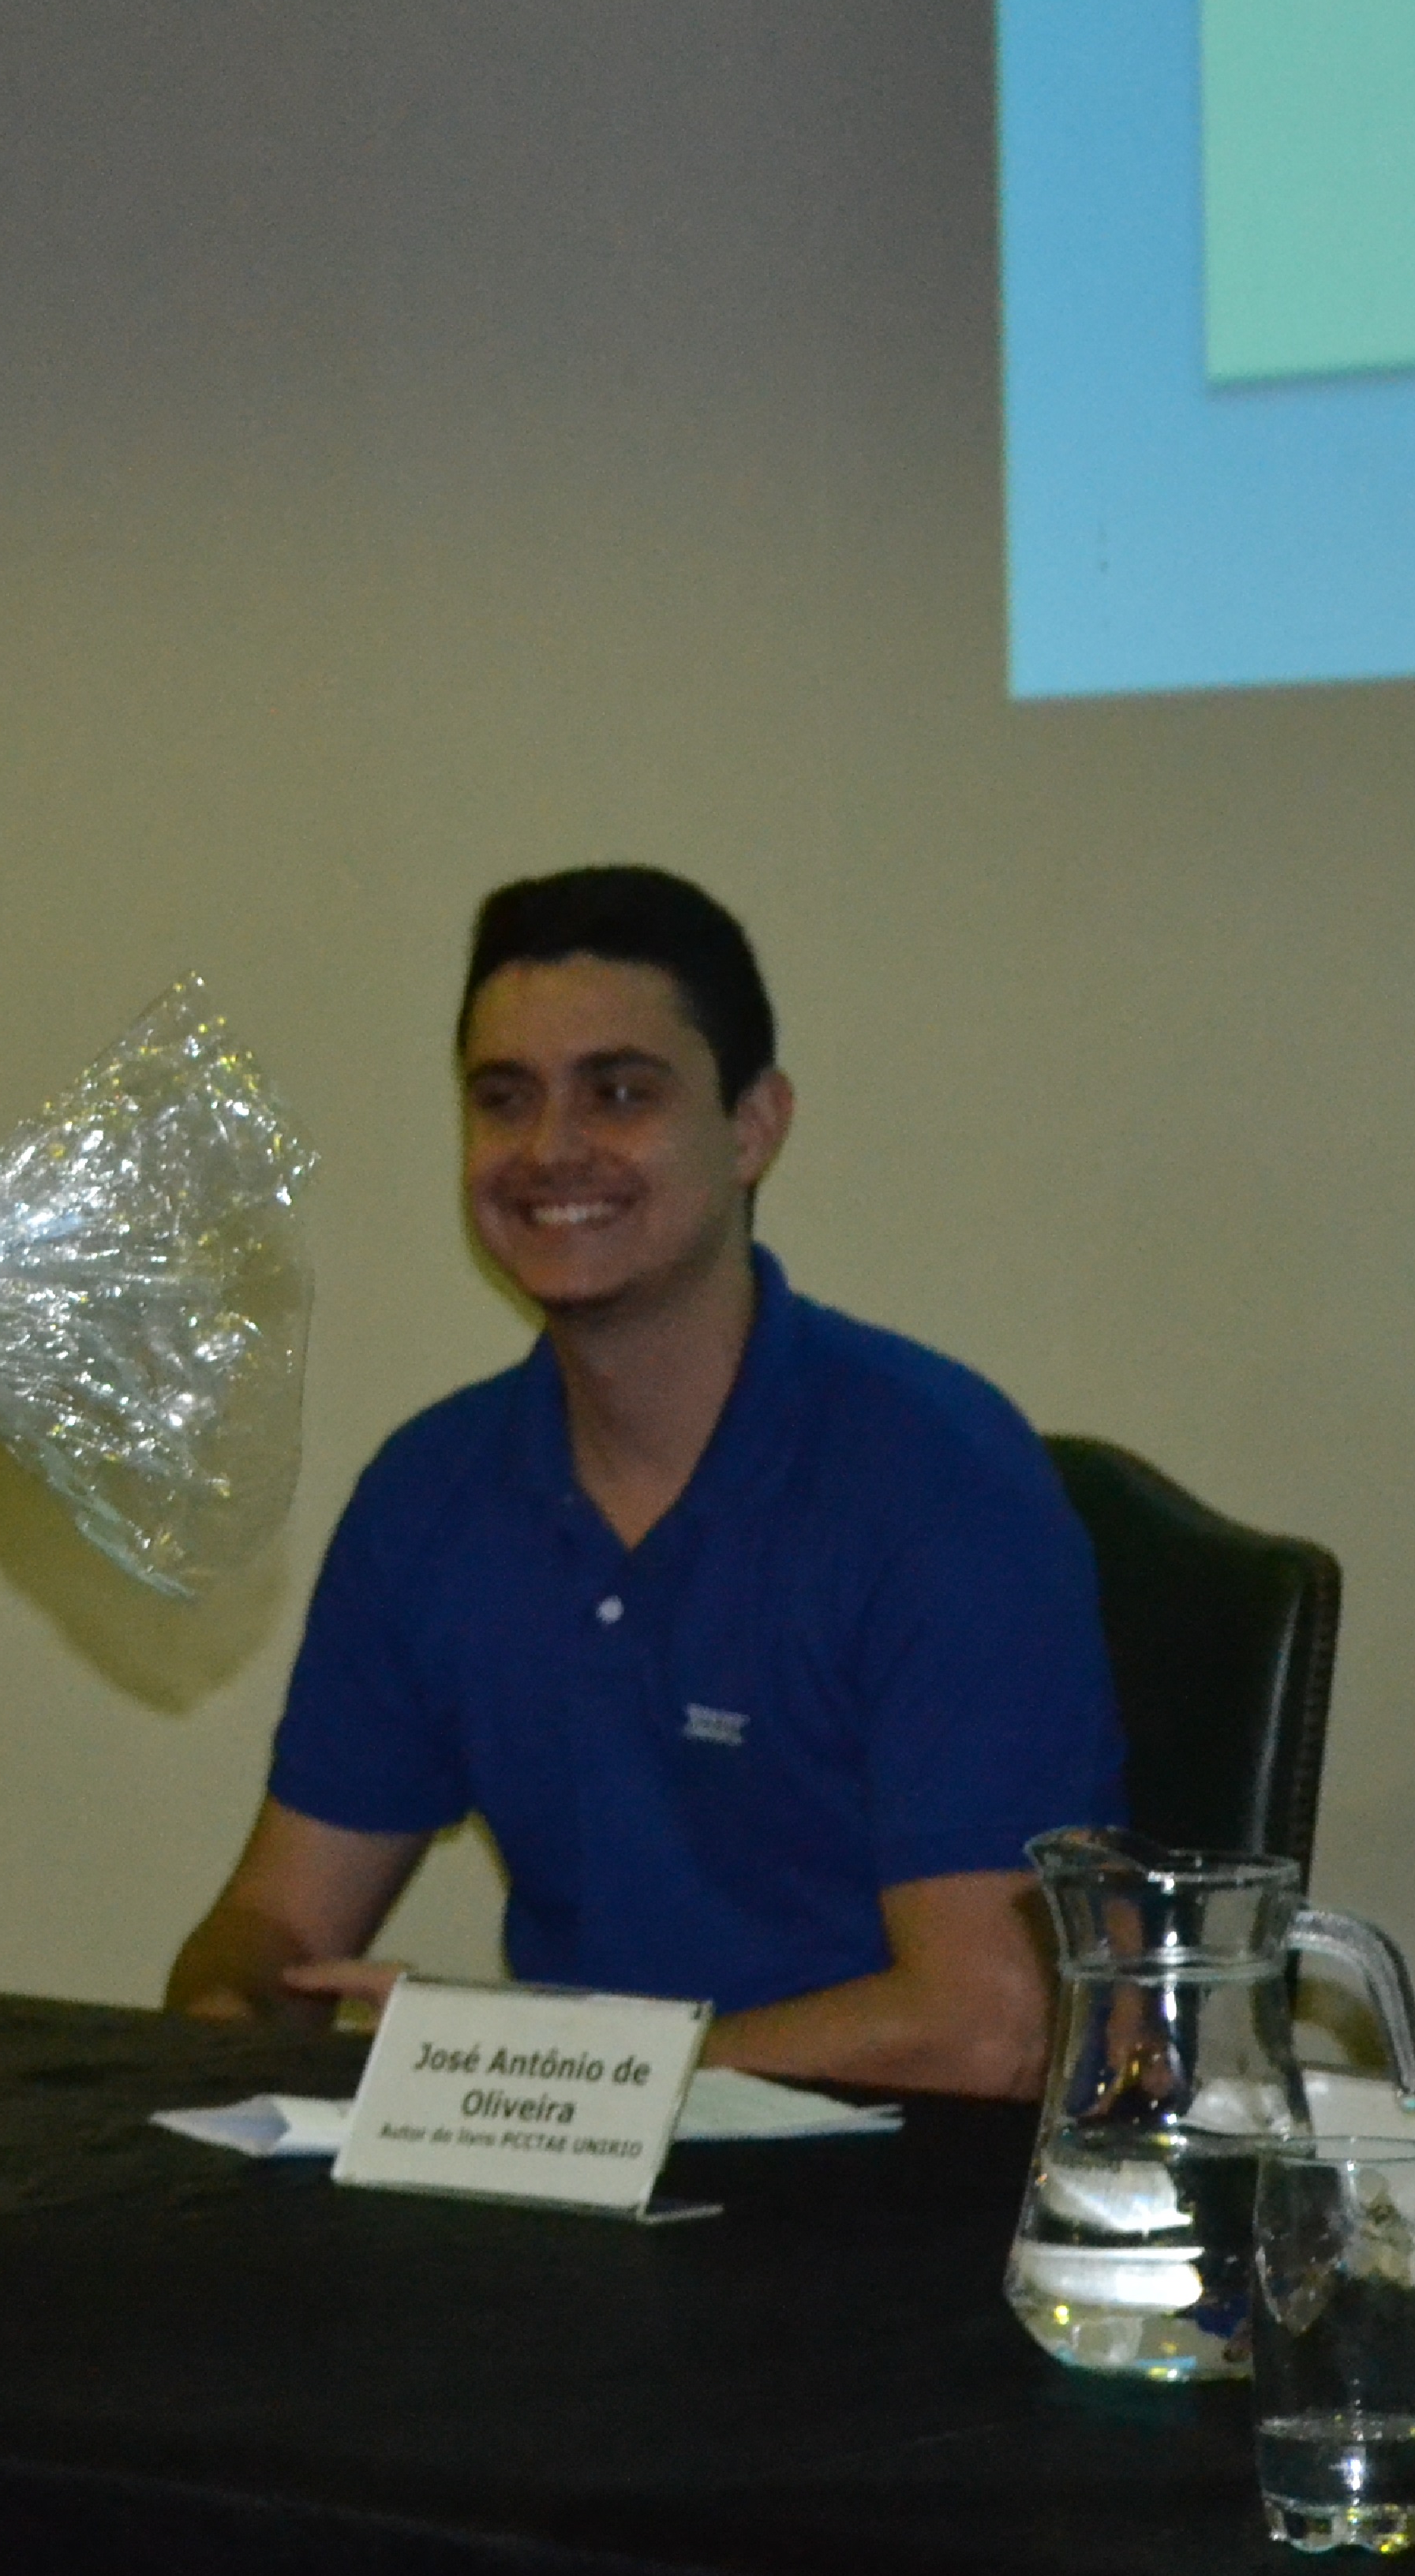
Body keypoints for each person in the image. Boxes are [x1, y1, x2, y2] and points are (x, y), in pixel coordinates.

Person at [165, 865, 1121, 2096]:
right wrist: (223, 2016)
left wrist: (555, 2078)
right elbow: (279, 1920)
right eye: (503, 1099)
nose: (550, 1149)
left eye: (619, 1092)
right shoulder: (429, 1492)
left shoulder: (939, 1481)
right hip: (556, 2189)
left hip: (886, 2190)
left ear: (754, 1127)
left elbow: (991, 2029)